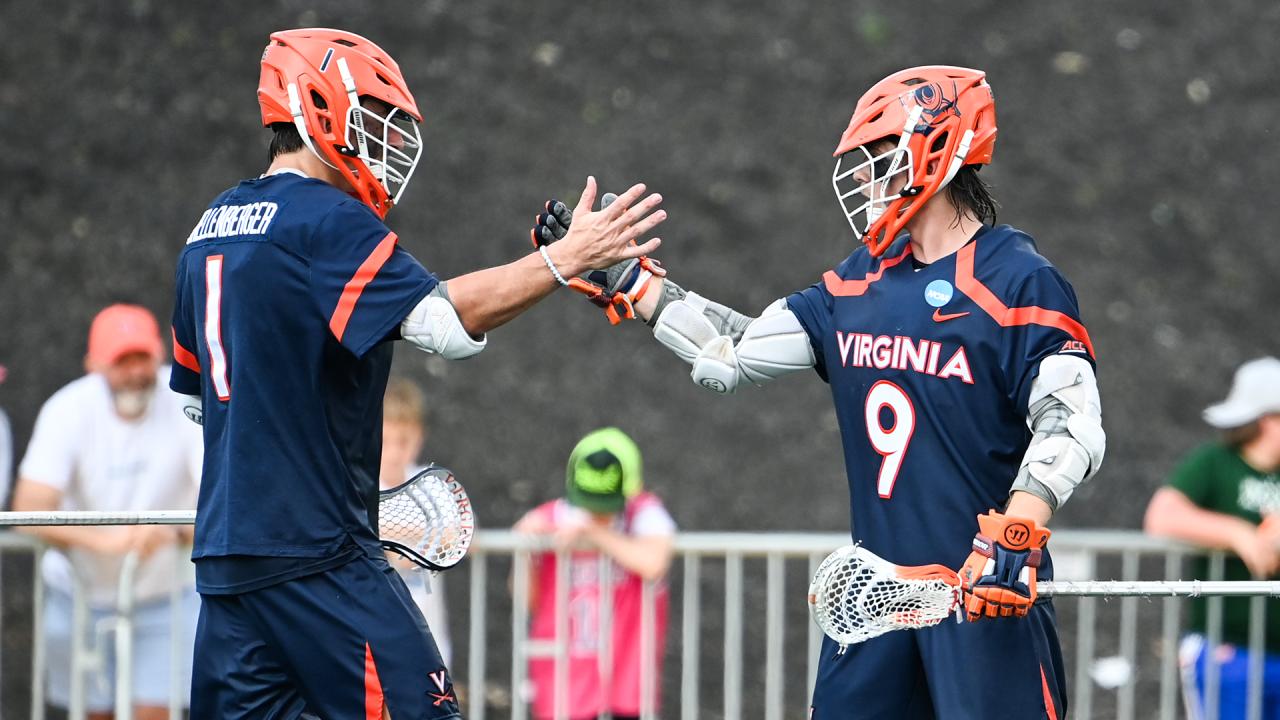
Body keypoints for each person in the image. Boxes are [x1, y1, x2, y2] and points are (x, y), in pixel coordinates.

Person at [538, 65, 1105, 719]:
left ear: (937, 152)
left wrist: (1019, 527)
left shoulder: (1017, 281)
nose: (863, 178)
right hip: (873, 605)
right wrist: (629, 281)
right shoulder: (857, 283)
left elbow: (1071, 418)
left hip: (982, 595)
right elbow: (731, 354)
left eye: (877, 158)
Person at [167, 28, 664, 720]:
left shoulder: (208, 226)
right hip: (319, 558)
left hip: (227, 563)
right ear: (312, 106)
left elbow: (197, 404)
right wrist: (564, 259)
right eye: (373, 120)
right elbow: (443, 327)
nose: (387, 144)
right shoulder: (327, 219)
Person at [12, 304, 202, 720]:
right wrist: (108, 543)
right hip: (76, 598)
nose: (135, 371)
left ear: (160, 354)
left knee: (155, 712)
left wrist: (169, 533)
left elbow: (220, 497)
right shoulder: (67, 409)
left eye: (143, 357)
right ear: (93, 364)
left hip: (164, 597)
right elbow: (27, 509)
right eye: (122, 360)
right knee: (89, 713)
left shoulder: (186, 403)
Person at [1145, 357, 1280, 719]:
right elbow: (1162, 515)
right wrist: (1238, 534)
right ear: (1269, 421)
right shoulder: (1214, 462)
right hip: (1228, 648)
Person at [512, 428, 675, 720]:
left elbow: (654, 561)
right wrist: (525, 555)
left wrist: (594, 533)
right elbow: (528, 599)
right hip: (566, 690)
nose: (597, 512)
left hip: (626, 686)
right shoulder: (551, 518)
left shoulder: (642, 513)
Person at [379, 377, 452, 669]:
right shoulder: (360, 488)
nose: (395, 452)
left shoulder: (432, 484)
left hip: (430, 650)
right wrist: (425, 540)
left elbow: (459, 536)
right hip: (377, 649)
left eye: (404, 441)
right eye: (385, 440)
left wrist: (388, 539)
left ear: (419, 437)